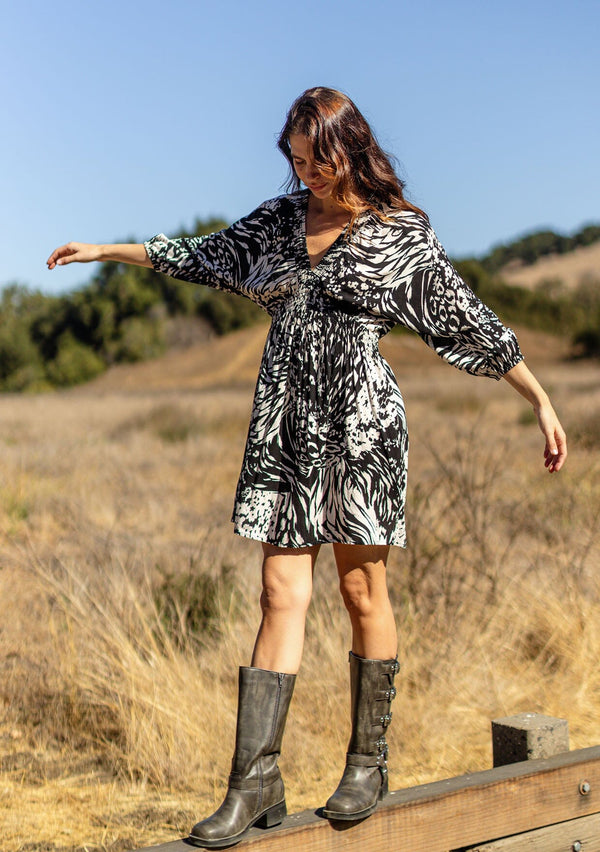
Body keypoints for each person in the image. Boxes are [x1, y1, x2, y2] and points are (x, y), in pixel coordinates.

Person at [47, 86, 567, 848]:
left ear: (346, 146)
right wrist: (107, 250)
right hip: (285, 429)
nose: (305, 175)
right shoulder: (280, 220)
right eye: (294, 161)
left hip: (362, 433)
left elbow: (466, 319)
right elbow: (204, 255)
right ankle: (253, 782)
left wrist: (542, 402)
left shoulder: (397, 234)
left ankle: (368, 761)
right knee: (278, 589)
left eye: (315, 160)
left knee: (361, 589)